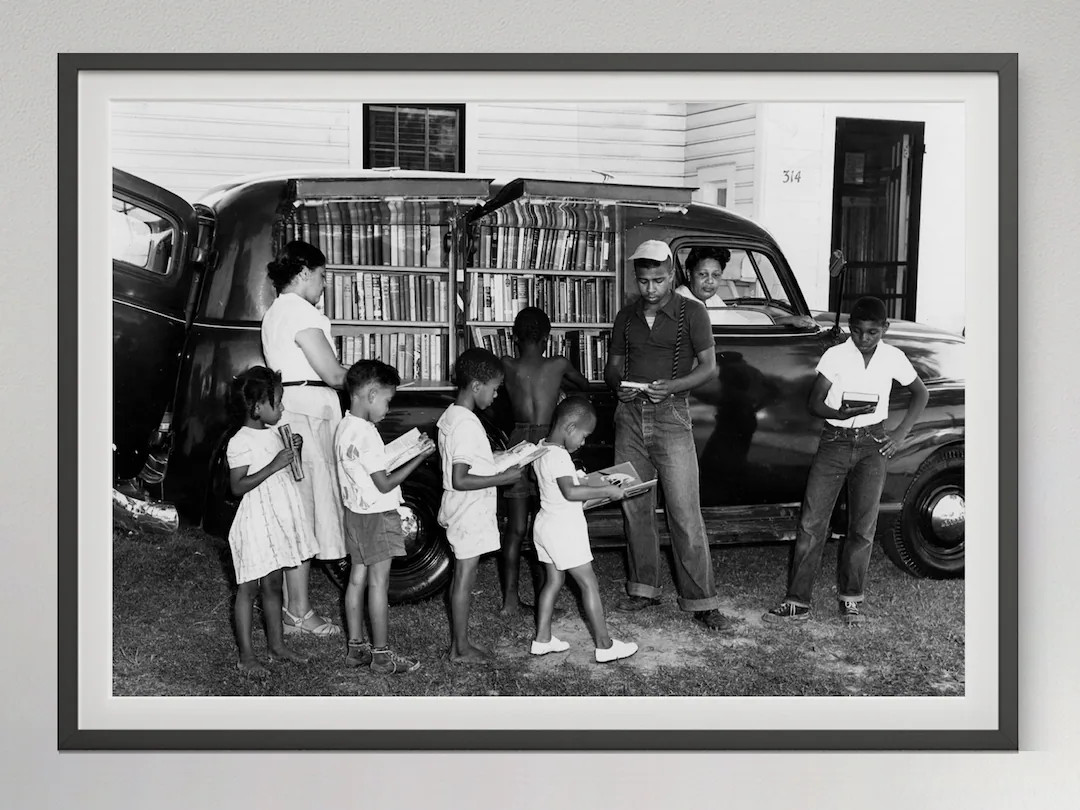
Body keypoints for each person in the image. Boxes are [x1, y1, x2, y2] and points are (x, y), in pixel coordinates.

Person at [762, 296, 929, 625]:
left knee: (863, 527)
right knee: (812, 524)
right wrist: (840, 412)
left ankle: (851, 600)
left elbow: (920, 394)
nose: (864, 339)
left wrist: (899, 434)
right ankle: (797, 602)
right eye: (857, 331)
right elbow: (815, 402)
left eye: (872, 333)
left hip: (873, 444)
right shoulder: (835, 354)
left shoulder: (894, 357)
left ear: (885, 329)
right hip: (835, 442)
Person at [604, 239, 735, 631]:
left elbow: (709, 367)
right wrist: (618, 386)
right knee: (635, 507)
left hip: (672, 417)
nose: (651, 289)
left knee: (684, 511)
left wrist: (675, 385)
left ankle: (702, 602)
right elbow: (612, 367)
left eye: (659, 280)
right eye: (644, 281)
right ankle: (643, 589)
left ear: (672, 275)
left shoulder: (692, 313)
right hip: (629, 416)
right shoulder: (625, 317)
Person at [262, 240, 347, 638]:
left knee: (296, 509)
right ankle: (298, 613)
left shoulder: (275, 311)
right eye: (322, 275)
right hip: (307, 414)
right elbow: (333, 374)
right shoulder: (301, 311)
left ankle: (293, 608)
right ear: (302, 274)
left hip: (291, 408)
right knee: (307, 512)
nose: (324, 283)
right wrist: (369, 376)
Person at [333, 360, 436, 674]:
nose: (388, 408)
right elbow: (385, 482)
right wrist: (418, 456)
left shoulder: (345, 426)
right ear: (372, 393)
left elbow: (368, 468)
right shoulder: (366, 433)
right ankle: (381, 656)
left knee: (356, 580)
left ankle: (355, 650)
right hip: (377, 517)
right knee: (379, 585)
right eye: (388, 401)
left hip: (355, 515)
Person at [530, 397, 639, 663]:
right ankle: (605, 645)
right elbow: (570, 491)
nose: (583, 442)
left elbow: (562, 490)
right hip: (564, 529)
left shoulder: (542, 448)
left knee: (553, 581)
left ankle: (542, 639)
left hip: (545, 524)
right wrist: (607, 489)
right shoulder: (559, 455)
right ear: (569, 427)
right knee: (589, 583)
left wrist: (590, 486)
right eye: (583, 435)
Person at [224, 366, 316, 676]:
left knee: (274, 585)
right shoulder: (239, 441)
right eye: (277, 402)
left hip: (277, 518)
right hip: (254, 523)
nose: (282, 407)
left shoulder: (277, 434)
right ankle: (246, 655)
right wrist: (275, 464)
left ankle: (277, 646)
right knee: (248, 589)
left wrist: (293, 454)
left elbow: (291, 474)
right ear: (257, 406)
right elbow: (237, 486)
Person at [499, 306, 589, 616]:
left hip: (518, 445)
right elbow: (585, 386)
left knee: (515, 528)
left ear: (514, 337)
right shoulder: (559, 363)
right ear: (548, 338)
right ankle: (543, 597)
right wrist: (559, 389)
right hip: (548, 442)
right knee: (547, 518)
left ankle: (510, 602)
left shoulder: (507, 365)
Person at [436, 348, 523, 663]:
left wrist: (500, 462)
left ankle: (460, 645)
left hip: (463, 509)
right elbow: (460, 478)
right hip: (467, 511)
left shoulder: (452, 415)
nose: (496, 395)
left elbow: (468, 465)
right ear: (476, 386)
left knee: (463, 577)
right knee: (464, 578)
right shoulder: (467, 424)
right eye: (494, 388)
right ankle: (460, 649)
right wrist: (503, 478)